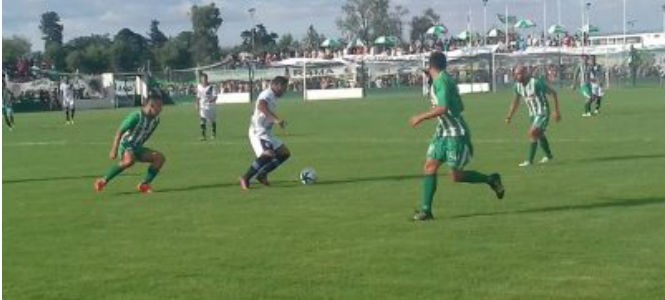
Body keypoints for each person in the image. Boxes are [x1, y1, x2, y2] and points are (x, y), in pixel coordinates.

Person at [409, 52, 504, 221]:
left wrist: (420, 117)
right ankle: (426, 210)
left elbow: (443, 108)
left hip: (455, 133)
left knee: (456, 176)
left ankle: (491, 179)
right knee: (430, 166)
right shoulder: (441, 79)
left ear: (431, 66)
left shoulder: (443, 81)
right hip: (442, 132)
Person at [94, 90, 165, 193]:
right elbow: (119, 132)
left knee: (159, 158)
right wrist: (114, 149)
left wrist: (140, 149)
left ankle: (144, 184)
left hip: (137, 147)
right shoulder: (136, 116)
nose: (161, 109)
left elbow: (146, 135)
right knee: (129, 161)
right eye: (159, 106)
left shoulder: (156, 120)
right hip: (126, 144)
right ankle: (102, 180)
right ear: (151, 105)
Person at [239, 76, 291, 190]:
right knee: (268, 154)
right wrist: (276, 120)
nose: (285, 91)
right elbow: (261, 106)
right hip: (258, 130)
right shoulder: (267, 94)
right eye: (284, 88)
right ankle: (246, 178)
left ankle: (262, 174)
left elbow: (268, 111)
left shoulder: (272, 96)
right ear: (277, 86)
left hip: (266, 131)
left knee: (284, 153)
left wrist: (277, 120)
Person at [505, 66, 562, 167]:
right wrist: (509, 116)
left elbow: (553, 93)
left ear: (526, 73)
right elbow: (515, 102)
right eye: (516, 74)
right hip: (532, 114)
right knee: (539, 135)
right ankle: (549, 156)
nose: (518, 76)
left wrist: (556, 111)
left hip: (542, 112)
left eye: (520, 73)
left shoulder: (536, 83)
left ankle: (529, 161)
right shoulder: (517, 87)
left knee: (532, 133)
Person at [195, 73, 217, 140]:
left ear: (207, 79)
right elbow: (198, 96)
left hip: (210, 106)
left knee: (212, 121)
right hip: (202, 106)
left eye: (205, 79)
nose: (203, 80)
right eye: (202, 79)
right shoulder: (199, 86)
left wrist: (211, 101)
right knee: (202, 120)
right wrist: (197, 104)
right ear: (201, 79)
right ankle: (203, 135)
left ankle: (213, 134)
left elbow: (215, 96)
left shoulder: (211, 87)